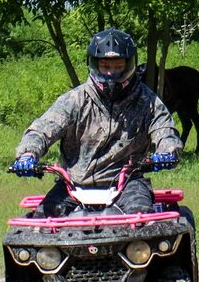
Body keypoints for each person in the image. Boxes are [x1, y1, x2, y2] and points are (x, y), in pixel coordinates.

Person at [10, 29, 181, 216]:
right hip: (73, 184)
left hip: (127, 184)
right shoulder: (75, 100)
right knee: (42, 221)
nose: (111, 73)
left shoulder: (148, 102)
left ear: (129, 65)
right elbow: (43, 129)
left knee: (141, 218)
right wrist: (28, 154)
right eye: (105, 66)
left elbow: (166, 131)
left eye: (118, 67)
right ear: (93, 65)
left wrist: (167, 153)